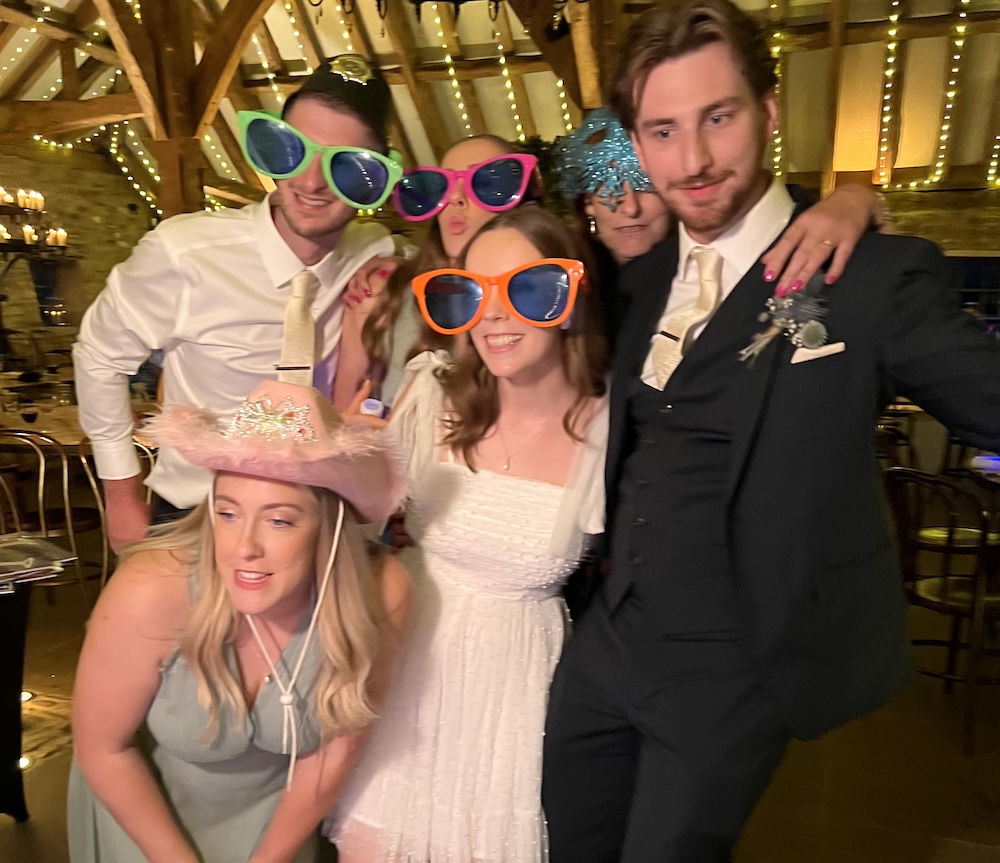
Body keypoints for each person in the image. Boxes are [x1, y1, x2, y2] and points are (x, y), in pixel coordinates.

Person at [540, 1, 1000, 860]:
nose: (696, 159)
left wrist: (858, 201)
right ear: (638, 143)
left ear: (770, 110)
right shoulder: (635, 285)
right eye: (664, 131)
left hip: (732, 665)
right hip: (606, 645)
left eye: (719, 117)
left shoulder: (867, 278)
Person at [325, 207, 609, 862]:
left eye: (527, 288)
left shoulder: (609, 426)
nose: (495, 314)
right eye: (472, 293)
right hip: (408, 662)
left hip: (512, 691)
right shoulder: (432, 397)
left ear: (568, 298)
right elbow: (354, 513)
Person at [68, 377, 412, 863]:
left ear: (328, 527)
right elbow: (103, 750)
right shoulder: (150, 590)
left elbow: (334, 754)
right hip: (144, 821)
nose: (243, 547)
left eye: (279, 520)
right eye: (228, 514)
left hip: (277, 831)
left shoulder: (381, 592)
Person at [73, 54, 404, 550]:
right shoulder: (183, 252)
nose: (311, 183)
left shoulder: (374, 252)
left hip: (317, 523)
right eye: (294, 150)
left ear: (372, 176)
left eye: (345, 164)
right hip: (195, 517)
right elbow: (98, 357)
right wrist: (121, 495)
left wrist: (400, 276)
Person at [555, 106, 889, 346]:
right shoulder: (560, 286)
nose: (629, 207)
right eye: (607, 188)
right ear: (586, 204)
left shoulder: (720, 263)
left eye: (644, 186)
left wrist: (856, 198)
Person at [335, 134, 545, 413]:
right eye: (442, 186)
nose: (455, 198)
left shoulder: (546, 297)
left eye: (484, 183)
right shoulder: (383, 293)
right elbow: (339, 423)